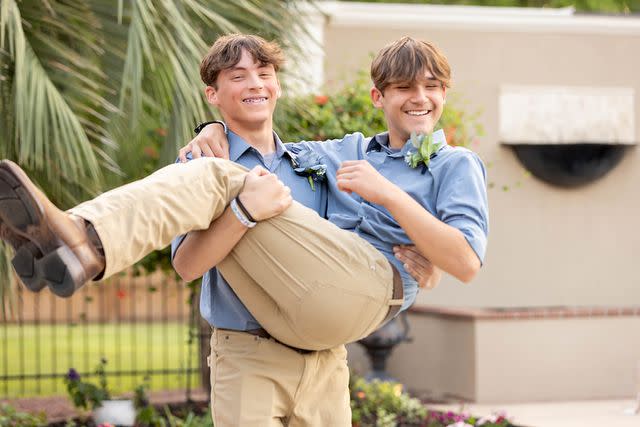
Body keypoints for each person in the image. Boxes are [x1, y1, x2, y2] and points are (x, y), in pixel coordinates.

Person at [0, 35, 484, 349]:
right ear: (379, 97)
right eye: (404, 87)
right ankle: (62, 247)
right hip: (299, 311)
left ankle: (85, 240)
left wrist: (389, 198)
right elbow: (264, 163)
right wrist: (214, 136)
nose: (419, 98)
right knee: (234, 182)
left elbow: (466, 263)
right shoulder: (341, 152)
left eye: (432, 87)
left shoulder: (455, 163)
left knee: (225, 178)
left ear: (445, 92)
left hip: (366, 292)